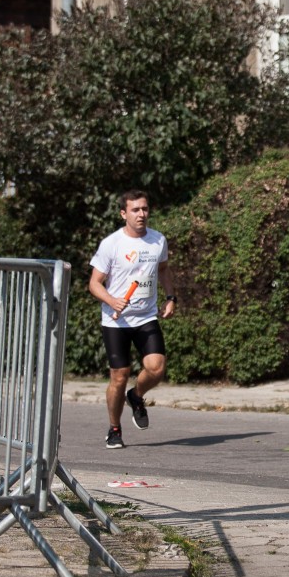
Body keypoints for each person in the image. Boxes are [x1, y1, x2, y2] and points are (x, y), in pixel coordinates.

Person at [89, 190, 177, 449]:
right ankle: (114, 428)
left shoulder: (158, 240)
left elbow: (163, 270)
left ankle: (136, 396)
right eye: (135, 210)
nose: (141, 214)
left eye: (145, 209)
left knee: (157, 368)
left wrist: (171, 297)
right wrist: (111, 300)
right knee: (119, 375)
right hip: (116, 321)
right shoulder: (112, 244)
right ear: (123, 214)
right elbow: (94, 283)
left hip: (145, 317)